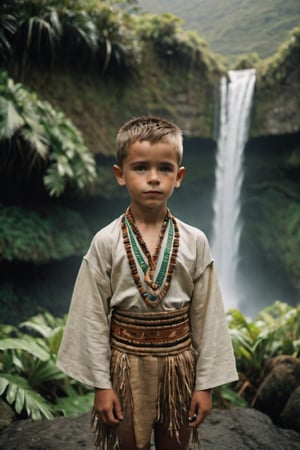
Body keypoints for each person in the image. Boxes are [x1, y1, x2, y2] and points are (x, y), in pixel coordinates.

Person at [56, 116, 238, 450]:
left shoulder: (195, 241)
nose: (153, 178)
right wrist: (101, 384)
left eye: (165, 169)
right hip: (125, 366)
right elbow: (91, 315)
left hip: (179, 366)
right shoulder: (105, 241)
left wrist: (205, 386)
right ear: (119, 175)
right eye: (140, 168)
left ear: (179, 177)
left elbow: (207, 316)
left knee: (175, 444)